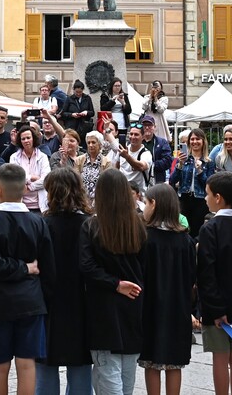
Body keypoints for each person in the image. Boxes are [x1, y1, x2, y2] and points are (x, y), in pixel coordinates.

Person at [0, 162, 57, 395]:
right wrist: (26, 269)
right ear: (24, 190)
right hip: (31, 301)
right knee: (26, 362)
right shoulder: (38, 222)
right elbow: (48, 268)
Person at [78, 168, 145, 395]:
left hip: (103, 309)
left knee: (108, 376)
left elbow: (87, 266)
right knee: (127, 378)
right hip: (133, 306)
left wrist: (115, 284)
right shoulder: (138, 225)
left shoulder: (92, 226)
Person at [37, 168, 92, 395]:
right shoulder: (89, 224)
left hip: (48, 302)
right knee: (80, 367)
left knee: (45, 366)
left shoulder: (43, 224)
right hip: (82, 303)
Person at [139, 184, 195, 395]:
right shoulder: (185, 240)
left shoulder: (145, 238)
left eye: (146, 202)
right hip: (178, 306)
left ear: (154, 204)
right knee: (174, 363)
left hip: (151, 306)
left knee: (151, 362)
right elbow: (191, 275)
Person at [197, 171, 232, 395]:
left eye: (207, 194)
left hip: (216, 302)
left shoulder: (210, 228)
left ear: (218, 197)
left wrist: (215, 308)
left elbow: (206, 271)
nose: (205, 198)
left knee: (220, 356)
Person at [170, 128, 212, 237]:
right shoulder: (183, 159)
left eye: (197, 139)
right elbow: (172, 181)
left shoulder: (208, 162)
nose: (194, 142)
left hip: (201, 200)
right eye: (192, 139)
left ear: (203, 141)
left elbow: (209, 185)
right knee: (183, 230)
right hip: (184, 198)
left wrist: (200, 171)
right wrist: (180, 165)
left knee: (197, 231)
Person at [11, 126, 51, 212]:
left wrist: (29, 187)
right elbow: (15, 179)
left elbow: (46, 180)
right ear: (20, 141)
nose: (26, 141)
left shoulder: (43, 157)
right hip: (21, 206)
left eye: (28, 138)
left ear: (33, 139)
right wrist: (32, 177)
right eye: (23, 139)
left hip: (40, 206)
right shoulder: (14, 157)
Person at [117, 124, 152, 194]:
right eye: (131, 134)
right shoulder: (123, 149)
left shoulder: (146, 153)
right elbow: (117, 166)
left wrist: (127, 157)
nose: (133, 137)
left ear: (143, 137)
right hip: (122, 193)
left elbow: (141, 166)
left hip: (139, 196)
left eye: (136, 135)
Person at [139, 114, 172, 186]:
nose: (147, 127)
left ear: (154, 127)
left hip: (157, 180)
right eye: (145, 125)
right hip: (139, 180)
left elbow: (168, 161)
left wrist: (151, 165)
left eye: (150, 125)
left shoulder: (162, 142)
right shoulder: (137, 141)